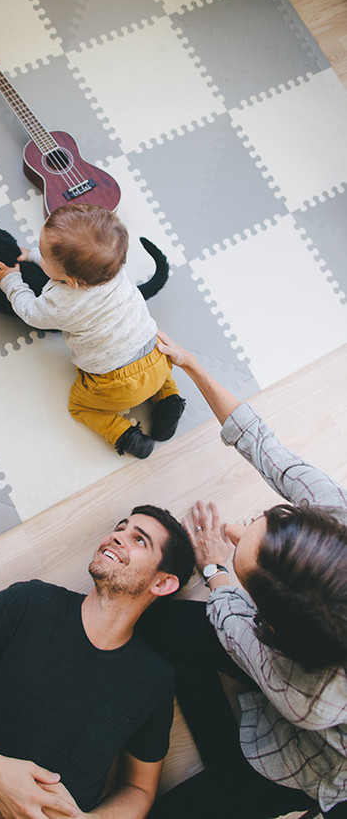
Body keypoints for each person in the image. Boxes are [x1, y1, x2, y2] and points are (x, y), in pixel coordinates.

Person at [139, 330, 347, 819]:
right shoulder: (336, 516)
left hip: (312, 761)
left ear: (271, 625)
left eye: (242, 562)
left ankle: (230, 758)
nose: (231, 528)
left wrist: (213, 567)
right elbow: (265, 446)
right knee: (159, 625)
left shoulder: (309, 694)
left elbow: (235, 630)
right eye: (259, 519)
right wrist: (194, 366)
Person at [0, 505, 195, 819]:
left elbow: (139, 789)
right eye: (120, 528)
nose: (117, 537)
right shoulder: (30, 604)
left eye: (139, 540)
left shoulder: (154, 681)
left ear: (161, 584)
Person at [0, 203, 186, 459]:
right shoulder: (111, 268)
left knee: (79, 406)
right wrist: (34, 256)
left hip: (115, 385)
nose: (40, 255)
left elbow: (29, 312)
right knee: (157, 372)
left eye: (44, 255)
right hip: (159, 358)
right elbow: (66, 266)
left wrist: (10, 280)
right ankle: (168, 397)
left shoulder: (60, 301)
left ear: (71, 281)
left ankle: (125, 435)